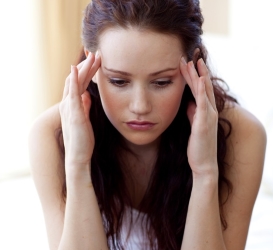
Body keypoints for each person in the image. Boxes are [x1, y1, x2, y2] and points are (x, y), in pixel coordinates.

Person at [28, 0, 267, 249]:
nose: (140, 106)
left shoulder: (242, 136)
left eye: (162, 82)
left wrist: (205, 172)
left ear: (193, 67)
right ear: (92, 67)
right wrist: (78, 165)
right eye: (119, 81)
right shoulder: (50, 135)